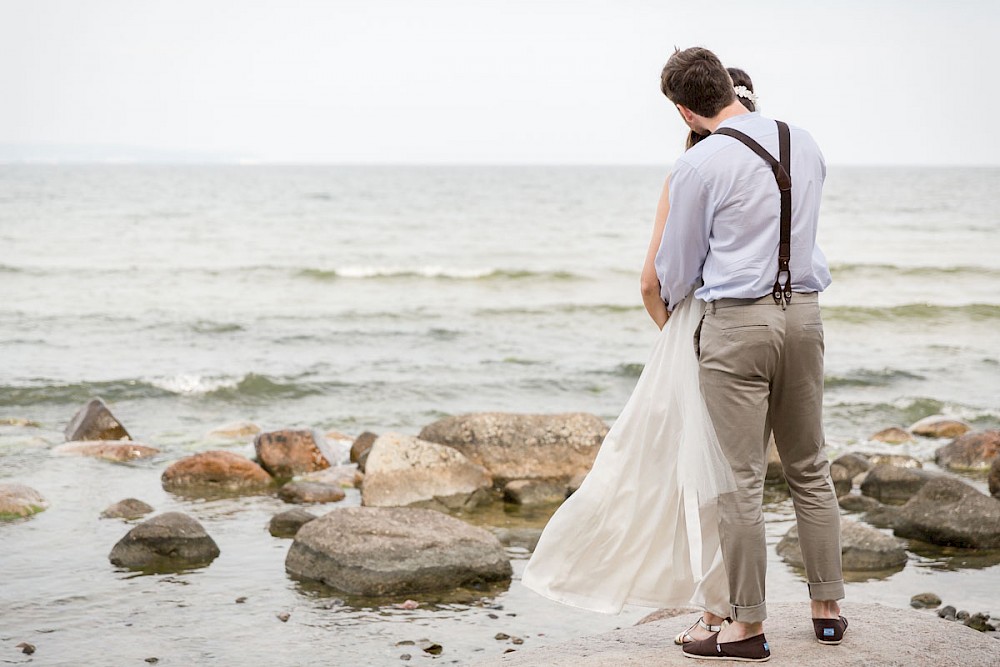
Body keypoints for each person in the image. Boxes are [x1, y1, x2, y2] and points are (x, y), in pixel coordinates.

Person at [521, 67, 758, 646]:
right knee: (741, 478)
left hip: (700, 332)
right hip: (764, 327)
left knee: (695, 478)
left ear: (688, 115)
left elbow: (652, 282)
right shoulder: (771, 172)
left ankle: (719, 609)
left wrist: (673, 335)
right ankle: (745, 606)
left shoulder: (685, 175)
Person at [656, 47, 845, 662]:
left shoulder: (699, 164)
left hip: (737, 326)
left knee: (739, 482)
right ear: (726, 84)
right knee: (809, 467)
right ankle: (827, 610)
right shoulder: (805, 140)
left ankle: (745, 626)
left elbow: (675, 270)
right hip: (805, 315)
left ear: (686, 111)